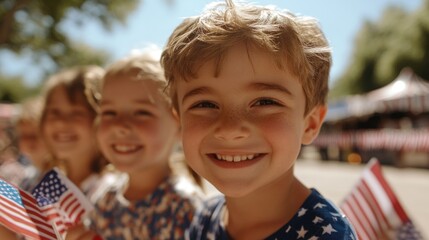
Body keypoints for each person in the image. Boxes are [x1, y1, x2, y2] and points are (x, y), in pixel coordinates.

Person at [161, 0, 357, 239]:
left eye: (265, 102)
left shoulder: (326, 235)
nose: (231, 129)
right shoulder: (204, 218)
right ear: (179, 122)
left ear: (311, 123)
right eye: (205, 104)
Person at [67, 48, 203, 240]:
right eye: (109, 113)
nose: (120, 126)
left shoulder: (184, 208)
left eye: (142, 112)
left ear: (179, 125)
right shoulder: (105, 198)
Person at [40, 65, 106, 196]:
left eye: (77, 113)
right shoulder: (50, 185)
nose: (61, 122)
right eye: (54, 112)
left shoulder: (111, 188)